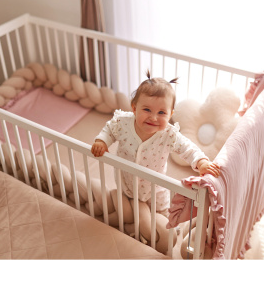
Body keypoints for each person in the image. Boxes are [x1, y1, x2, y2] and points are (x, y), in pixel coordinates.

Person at [91, 71, 220, 252]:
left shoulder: (168, 134)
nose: (153, 117)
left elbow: (187, 148)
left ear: (170, 114)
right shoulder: (122, 123)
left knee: (162, 215)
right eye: (147, 110)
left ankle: (163, 232)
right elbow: (109, 130)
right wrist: (102, 141)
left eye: (161, 112)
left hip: (155, 188)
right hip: (126, 182)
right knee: (127, 210)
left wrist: (200, 162)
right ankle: (135, 228)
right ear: (134, 108)